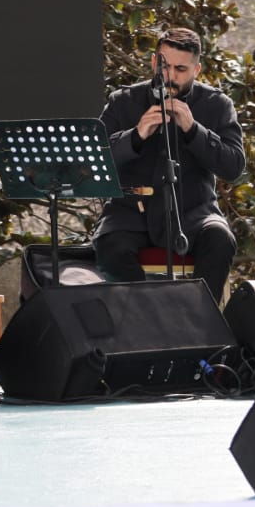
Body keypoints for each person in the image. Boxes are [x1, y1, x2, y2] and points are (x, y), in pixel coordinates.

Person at [94, 27, 246, 305]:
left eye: (181, 69)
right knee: (111, 246)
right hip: (129, 214)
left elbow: (233, 167)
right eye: (164, 66)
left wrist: (193, 130)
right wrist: (136, 135)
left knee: (221, 240)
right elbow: (95, 161)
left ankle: (199, 326)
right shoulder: (123, 100)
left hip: (194, 212)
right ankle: (147, 323)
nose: (171, 77)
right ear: (154, 62)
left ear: (196, 70)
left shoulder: (217, 104)